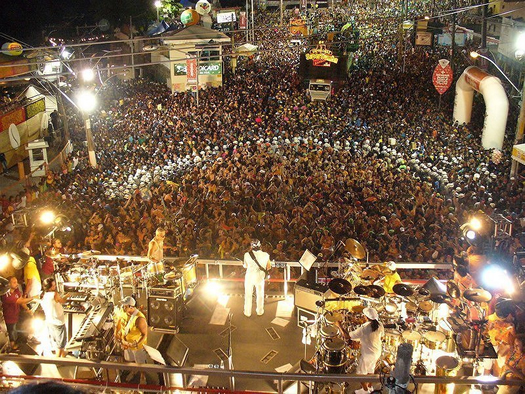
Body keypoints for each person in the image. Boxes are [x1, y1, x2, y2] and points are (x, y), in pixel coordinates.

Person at [338, 307, 384, 394]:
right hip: (377, 351)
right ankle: (370, 387)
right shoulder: (380, 324)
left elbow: (347, 336)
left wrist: (339, 326)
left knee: (360, 374)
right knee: (371, 370)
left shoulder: (364, 328)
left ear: (366, 317)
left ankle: (366, 391)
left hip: (368, 354)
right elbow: (380, 336)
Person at [0, 277, 36, 351]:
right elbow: (19, 301)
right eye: (14, 282)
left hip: (17, 314)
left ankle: (24, 341)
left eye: (16, 282)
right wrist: (33, 298)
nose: (16, 284)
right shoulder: (6, 295)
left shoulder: (16, 291)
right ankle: (12, 348)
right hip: (9, 317)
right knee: (11, 332)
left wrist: (27, 309)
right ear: (8, 284)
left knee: (18, 330)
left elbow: (22, 301)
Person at [41, 277, 69, 357]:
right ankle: (58, 359)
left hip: (50, 321)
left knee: (57, 341)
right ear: (49, 287)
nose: (55, 287)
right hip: (58, 322)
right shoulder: (54, 294)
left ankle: (63, 355)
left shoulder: (44, 295)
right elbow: (62, 301)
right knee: (60, 343)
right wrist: (67, 295)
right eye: (53, 286)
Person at [243, 239, 271, 317]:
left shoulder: (247, 255)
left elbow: (245, 266)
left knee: (248, 294)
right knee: (260, 294)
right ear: (260, 246)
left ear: (251, 246)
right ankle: (260, 311)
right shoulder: (266, 255)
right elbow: (268, 267)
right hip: (260, 277)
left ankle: (247, 312)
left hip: (249, 277)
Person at [119, 296, 148, 364]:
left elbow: (144, 334)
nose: (123, 308)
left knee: (141, 364)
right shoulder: (124, 314)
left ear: (131, 307)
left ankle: (142, 374)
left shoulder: (139, 319)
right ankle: (134, 373)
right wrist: (123, 340)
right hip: (127, 344)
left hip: (137, 348)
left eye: (125, 306)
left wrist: (136, 344)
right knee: (130, 361)